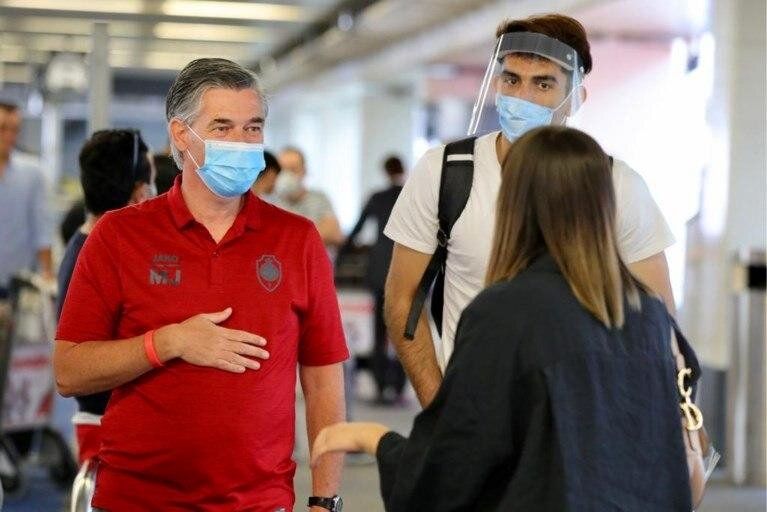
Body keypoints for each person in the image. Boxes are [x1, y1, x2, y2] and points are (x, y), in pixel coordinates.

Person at [311, 126, 694, 511]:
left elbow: (454, 470)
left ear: (514, 202)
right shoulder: (648, 314)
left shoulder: (505, 314)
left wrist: (378, 441)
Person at [55, 58, 348, 512]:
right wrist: (167, 342)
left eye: (253, 128)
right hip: (135, 500)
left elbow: (324, 381)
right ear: (180, 134)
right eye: (223, 127)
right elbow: (69, 370)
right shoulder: (118, 236)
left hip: (259, 502)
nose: (242, 142)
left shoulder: (297, 239)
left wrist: (325, 501)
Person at [384, 13, 677, 407]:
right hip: (473, 416)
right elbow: (402, 297)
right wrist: (439, 411)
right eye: (511, 79)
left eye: (543, 84)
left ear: (576, 97)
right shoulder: (446, 173)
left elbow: (658, 322)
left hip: (580, 423)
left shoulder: (616, 187)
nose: (521, 98)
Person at [56, 129, 155, 466]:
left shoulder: (93, 246)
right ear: (141, 192)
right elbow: (74, 369)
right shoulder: (95, 256)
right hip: (108, 428)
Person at [341, 156, 407, 404]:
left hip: (379, 271)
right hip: (405, 270)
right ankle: (399, 387)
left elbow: (357, 230)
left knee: (379, 332)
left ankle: (380, 388)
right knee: (403, 329)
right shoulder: (411, 194)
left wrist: (341, 257)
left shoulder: (377, 197)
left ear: (384, 171)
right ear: (403, 169)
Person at [0, 101, 53, 295]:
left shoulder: (33, 173)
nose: (9, 136)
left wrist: (47, 273)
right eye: (3, 128)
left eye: (14, 130)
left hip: (20, 286)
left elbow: (42, 230)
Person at [275, 147, 344, 247]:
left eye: (293, 169)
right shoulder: (268, 201)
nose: (286, 175)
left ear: (304, 170)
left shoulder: (320, 199)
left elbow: (334, 233)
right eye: (282, 170)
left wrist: (288, 236)